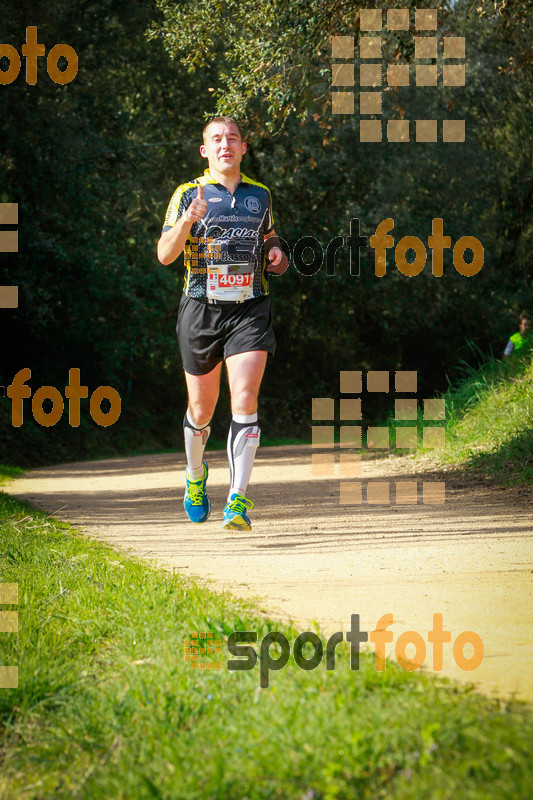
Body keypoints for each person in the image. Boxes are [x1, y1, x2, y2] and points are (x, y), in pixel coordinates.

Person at [157, 116, 288, 530]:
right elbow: (164, 254)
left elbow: (269, 237)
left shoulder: (260, 194)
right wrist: (187, 220)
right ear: (205, 150)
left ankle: (238, 500)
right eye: (216, 139)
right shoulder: (187, 193)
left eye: (232, 138)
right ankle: (196, 478)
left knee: (245, 399)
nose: (224, 144)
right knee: (201, 409)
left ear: (244, 147)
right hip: (201, 307)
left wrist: (277, 254)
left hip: (249, 307)